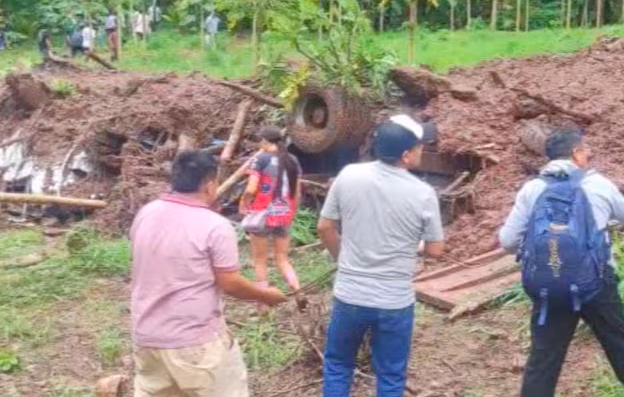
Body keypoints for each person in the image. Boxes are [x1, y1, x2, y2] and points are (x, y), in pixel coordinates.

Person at [499, 127, 624, 397]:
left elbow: (507, 239)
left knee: (544, 355)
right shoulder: (597, 184)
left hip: (551, 285)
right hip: (596, 283)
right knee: (618, 341)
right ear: (576, 153)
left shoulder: (531, 189)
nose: (588, 154)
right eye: (585, 150)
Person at [129, 150, 288, 396]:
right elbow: (230, 283)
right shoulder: (215, 226)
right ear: (209, 183)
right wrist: (266, 295)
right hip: (195, 341)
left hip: (147, 337)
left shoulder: (146, 213)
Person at [317, 114, 444, 397]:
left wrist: (342, 259)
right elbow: (435, 249)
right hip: (394, 301)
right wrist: (417, 246)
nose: (422, 150)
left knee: (338, 365)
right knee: (390, 375)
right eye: (420, 146)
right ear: (406, 154)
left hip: (350, 294)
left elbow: (325, 227)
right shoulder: (423, 193)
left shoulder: (349, 175)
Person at [239, 126, 303, 310]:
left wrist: (244, 203)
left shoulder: (261, 159)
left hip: (262, 213)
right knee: (282, 258)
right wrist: (292, 211)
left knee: (260, 260)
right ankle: (298, 290)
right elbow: (297, 192)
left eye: (261, 141)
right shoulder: (293, 160)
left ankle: (263, 304)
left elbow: (251, 189)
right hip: (284, 213)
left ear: (266, 141)